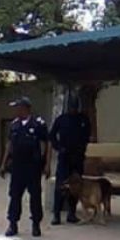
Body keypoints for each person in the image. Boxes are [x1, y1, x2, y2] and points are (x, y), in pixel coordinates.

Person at [0, 97, 50, 237]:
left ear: (25, 108)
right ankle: (13, 224)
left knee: (35, 196)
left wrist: (47, 164)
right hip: (17, 166)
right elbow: (9, 144)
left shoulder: (38, 124)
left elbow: (47, 144)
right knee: (14, 196)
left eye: (18, 107)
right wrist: (3, 164)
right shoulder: (15, 125)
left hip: (33, 166)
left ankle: (36, 224)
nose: (16, 110)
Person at [50, 95, 91, 225]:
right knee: (60, 186)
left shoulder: (83, 119)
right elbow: (52, 135)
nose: (73, 108)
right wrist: (59, 148)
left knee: (76, 187)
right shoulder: (61, 119)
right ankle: (56, 214)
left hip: (77, 158)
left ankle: (71, 213)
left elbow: (87, 135)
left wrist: (82, 148)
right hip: (64, 157)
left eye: (75, 105)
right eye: (71, 106)